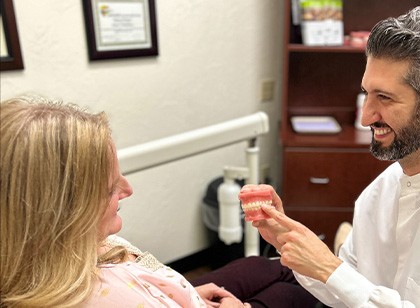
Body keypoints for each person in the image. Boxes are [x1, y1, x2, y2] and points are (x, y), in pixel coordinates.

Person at [248, 6, 420, 308]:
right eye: (366, 93)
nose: (366, 117)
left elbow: (344, 281)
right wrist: (288, 242)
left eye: (385, 97)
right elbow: (347, 294)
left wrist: (331, 269)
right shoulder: (380, 191)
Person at [0, 95, 318, 307]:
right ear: (64, 210)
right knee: (294, 290)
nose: (127, 189)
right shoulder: (109, 297)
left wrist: (183, 290)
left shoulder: (93, 247)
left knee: (260, 265)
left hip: (170, 289)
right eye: (111, 188)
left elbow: (143, 263)